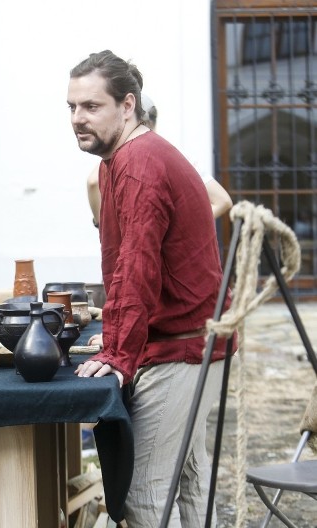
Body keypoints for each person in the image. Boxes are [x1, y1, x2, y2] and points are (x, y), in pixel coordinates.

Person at [68, 50, 232, 526]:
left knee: (143, 496)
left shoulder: (140, 162)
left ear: (128, 105)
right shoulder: (115, 162)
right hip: (189, 341)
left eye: (91, 106)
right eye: (72, 107)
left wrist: (120, 353)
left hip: (183, 348)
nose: (78, 118)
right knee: (191, 477)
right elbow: (120, 263)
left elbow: (138, 267)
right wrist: (117, 334)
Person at [86, 93, 233, 227]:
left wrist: (101, 224)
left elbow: (93, 182)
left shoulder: (117, 157)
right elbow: (222, 201)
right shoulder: (175, 153)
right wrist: (179, 228)